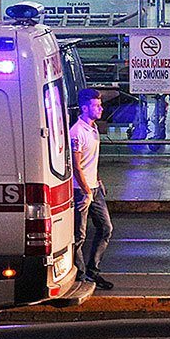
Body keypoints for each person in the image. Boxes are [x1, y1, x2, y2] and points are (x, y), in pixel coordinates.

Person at [71, 89, 114, 290]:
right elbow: (76, 165)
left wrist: (97, 180)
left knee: (106, 228)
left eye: (100, 105)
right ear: (85, 107)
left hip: (94, 188)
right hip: (81, 191)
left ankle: (93, 269)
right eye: (96, 106)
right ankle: (80, 274)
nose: (101, 109)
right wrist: (87, 190)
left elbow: (90, 162)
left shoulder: (94, 129)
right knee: (79, 235)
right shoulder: (77, 132)